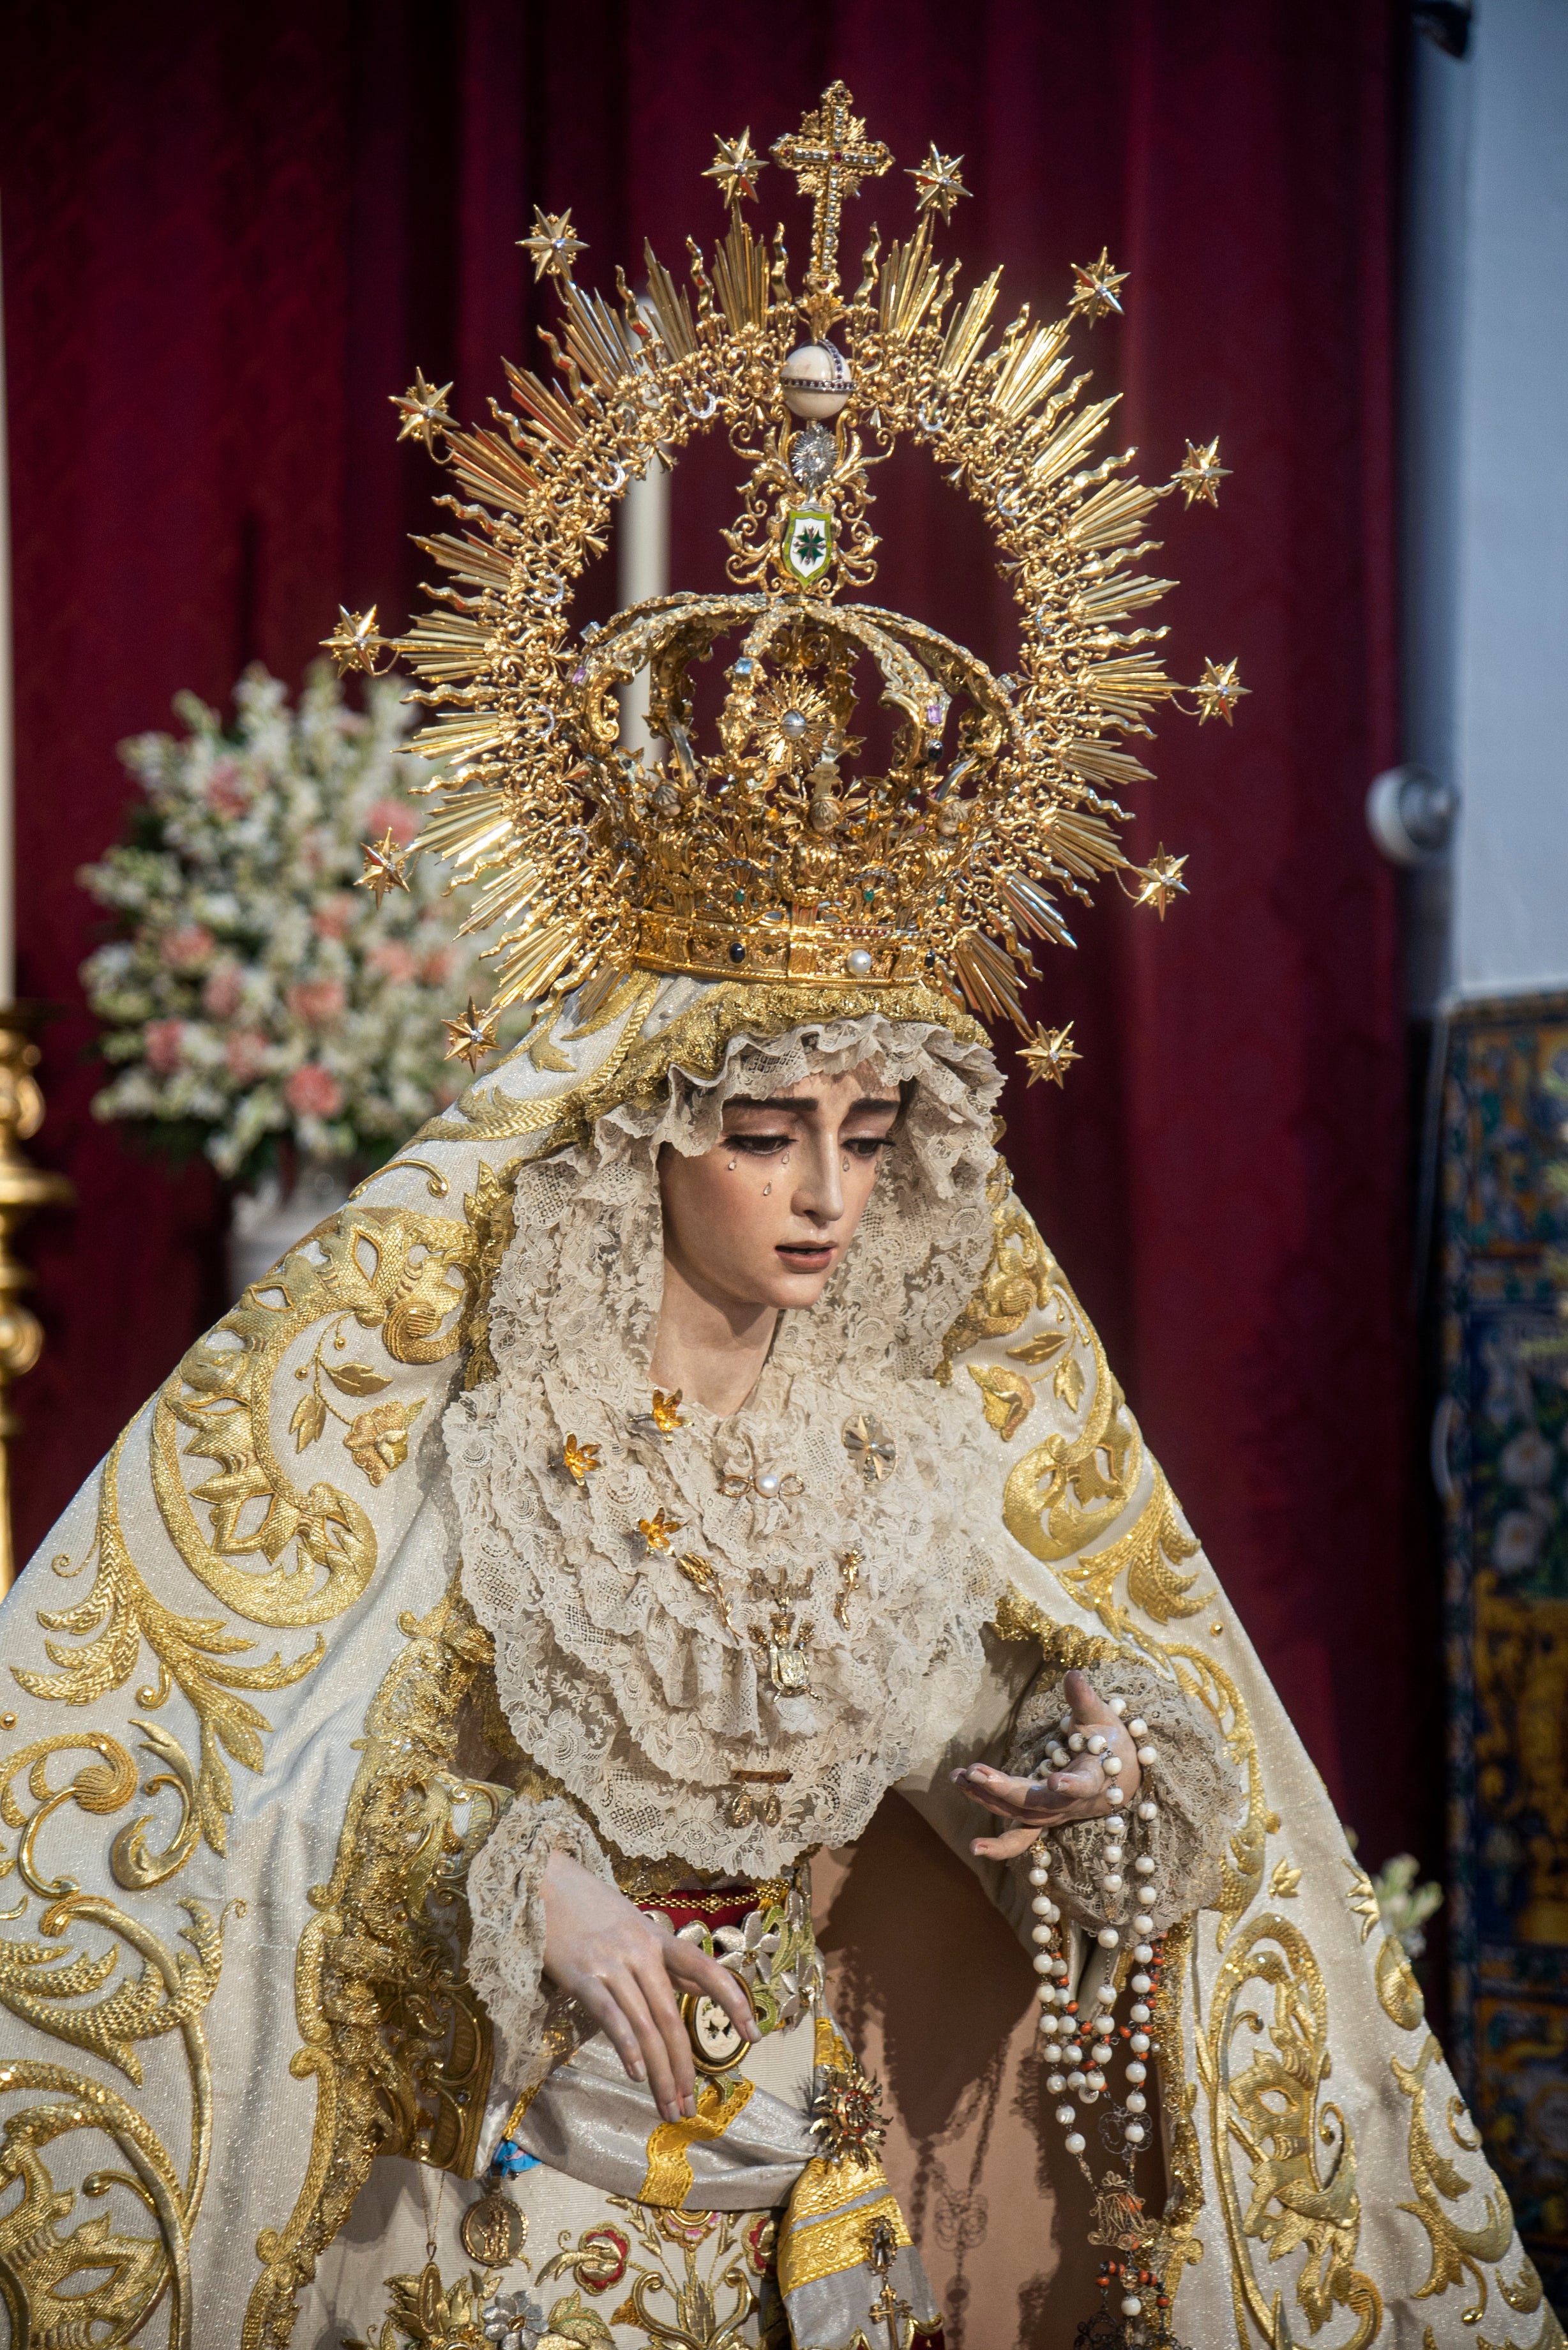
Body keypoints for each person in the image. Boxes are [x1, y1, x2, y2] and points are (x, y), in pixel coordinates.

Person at [0, 82, 1554, 2350]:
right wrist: (540, 1896)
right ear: (647, 1142)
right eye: (767, 1134)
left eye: (867, 1135)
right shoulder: (506, 1424)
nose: (828, 1194)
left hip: (797, 2225)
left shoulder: (893, 1454)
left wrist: (1079, 1763)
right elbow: (315, 1791)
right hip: (506, 2228)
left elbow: (940, 1736)